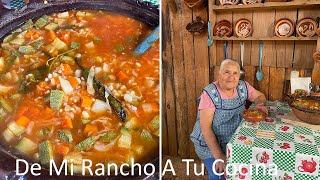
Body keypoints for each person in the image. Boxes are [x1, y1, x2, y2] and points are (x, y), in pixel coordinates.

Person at [190, 59, 267, 180]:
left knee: (247, 169)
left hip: (233, 140)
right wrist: (219, 156)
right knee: (220, 174)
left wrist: (259, 105)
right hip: (209, 144)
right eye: (227, 72)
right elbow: (205, 128)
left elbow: (260, 96)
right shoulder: (210, 93)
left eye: (235, 73)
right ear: (219, 74)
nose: (231, 76)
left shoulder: (243, 87)